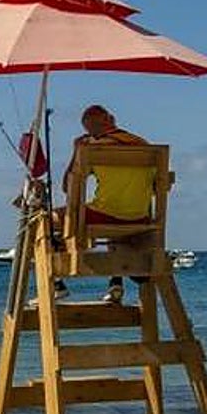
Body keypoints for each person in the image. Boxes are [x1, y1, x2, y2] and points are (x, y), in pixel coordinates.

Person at [53, 105, 151, 304]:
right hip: (140, 218)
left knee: (44, 220)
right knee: (115, 231)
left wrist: (76, 151)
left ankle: (57, 285)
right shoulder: (144, 145)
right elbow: (161, 187)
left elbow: (68, 187)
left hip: (107, 214)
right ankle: (116, 283)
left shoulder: (92, 147)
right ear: (112, 119)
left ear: (89, 129)